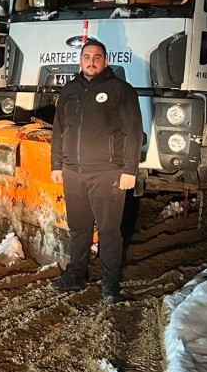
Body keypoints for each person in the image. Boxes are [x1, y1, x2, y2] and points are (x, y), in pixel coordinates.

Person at [50, 39, 144, 304]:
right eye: (87, 56)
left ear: (106, 60)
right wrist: (57, 164)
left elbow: (133, 131)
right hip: (73, 172)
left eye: (97, 57)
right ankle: (76, 274)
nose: (91, 61)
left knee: (109, 230)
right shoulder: (69, 90)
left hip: (108, 172)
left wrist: (129, 170)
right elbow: (59, 130)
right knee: (78, 227)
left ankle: (111, 282)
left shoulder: (121, 90)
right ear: (80, 60)